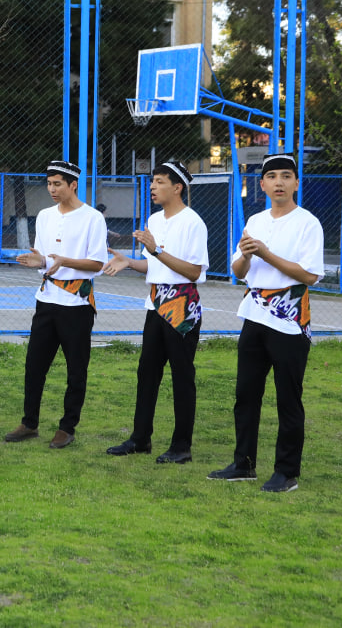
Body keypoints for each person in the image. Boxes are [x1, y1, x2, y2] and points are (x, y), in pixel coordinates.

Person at [209, 153, 323, 493]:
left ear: (296, 183)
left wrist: (266, 253)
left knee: (288, 398)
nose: (279, 182)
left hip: (290, 320)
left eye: (286, 176)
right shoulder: (255, 220)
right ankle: (243, 464)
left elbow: (309, 275)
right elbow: (238, 271)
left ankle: (286, 472)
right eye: (272, 177)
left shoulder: (307, 223)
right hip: (254, 315)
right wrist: (246, 254)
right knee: (246, 394)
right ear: (261, 185)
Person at [102, 162, 209, 464]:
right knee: (147, 374)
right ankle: (140, 439)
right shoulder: (154, 219)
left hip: (181, 307)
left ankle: (181, 446)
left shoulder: (193, 222)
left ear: (177, 188)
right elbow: (154, 265)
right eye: (153, 181)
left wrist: (157, 250)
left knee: (182, 377)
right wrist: (130, 262)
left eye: (160, 181)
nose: (152, 186)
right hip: (155, 305)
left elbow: (194, 271)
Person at [4, 160, 108, 449]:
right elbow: (45, 258)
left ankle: (67, 427)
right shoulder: (45, 216)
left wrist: (63, 261)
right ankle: (29, 423)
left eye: (57, 184)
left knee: (76, 370)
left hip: (77, 304)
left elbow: (97, 263)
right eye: (49, 183)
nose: (52, 189)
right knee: (34, 366)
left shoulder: (92, 218)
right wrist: (40, 261)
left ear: (73, 184)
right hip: (46, 301)